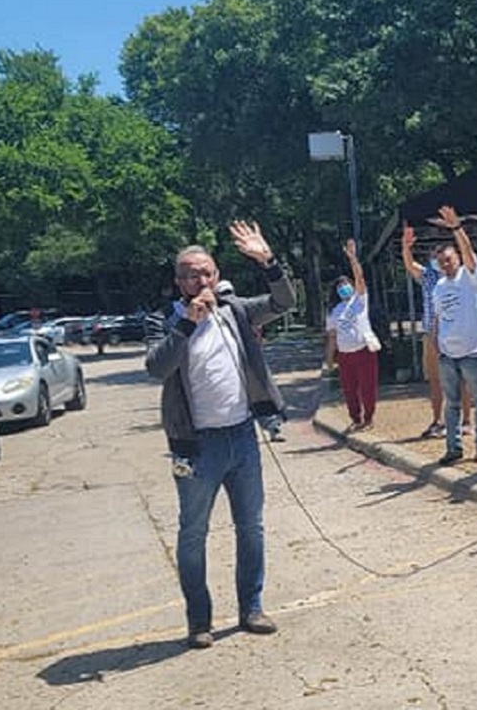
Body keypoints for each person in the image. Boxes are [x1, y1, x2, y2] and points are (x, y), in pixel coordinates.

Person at [144, 221, 295, 649]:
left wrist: (267, 261)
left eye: (207, 272)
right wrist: (188, 324)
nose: (201, 280)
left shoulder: (235, 310)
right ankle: (199, 620)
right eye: (191, 274)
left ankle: (252, 607)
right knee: (193, 533)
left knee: (251, 526)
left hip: (242, 436)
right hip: (196, 447)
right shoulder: (164, 321)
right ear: (178, 283)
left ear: (216, 274)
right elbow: (157, 367)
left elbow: (285, 301)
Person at [423, 206, 477, 465]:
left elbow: (469, 253)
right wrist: (436, 343)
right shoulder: (439, 286)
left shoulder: (470, 277)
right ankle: (453, 447)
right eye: (441, 261)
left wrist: (456, 228)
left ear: (459, 259)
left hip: (472, 350)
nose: (445, 264)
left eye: (449, 259)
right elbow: (438, 317)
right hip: (448, 354)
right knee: (451, 403)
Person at [401, 223, 473, 438]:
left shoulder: (463, 277)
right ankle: (437, 421)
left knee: (462, 378)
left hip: (457, 333)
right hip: (432, 334)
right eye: (437, 257)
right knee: (435, 379)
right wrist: (406, 248)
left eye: (445, 257)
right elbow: (409, 265)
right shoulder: (429, 277)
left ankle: (467, 420)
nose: (441, 262)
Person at [216, 280, 286, 443]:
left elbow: (259, 329)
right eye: (225, 294)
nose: (229, 297)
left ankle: (271, 427)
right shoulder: (233, 310)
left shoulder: (242, 308)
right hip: (232, 366)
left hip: (247, 361)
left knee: (259, 395)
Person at [324, 239, 381, 433]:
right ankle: (355, 418)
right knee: (349, 390)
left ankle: (369, 417)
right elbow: (332, 336)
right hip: (345, 355)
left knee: (367, 387)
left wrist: (353, 259)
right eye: (340, 287)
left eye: (346, 284)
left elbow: (360, 278)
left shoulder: (360, 301)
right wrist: (330, 359)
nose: (343, 288)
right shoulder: (333, 310)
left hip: (363, 350)